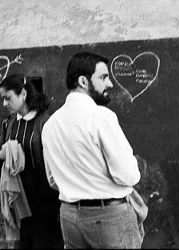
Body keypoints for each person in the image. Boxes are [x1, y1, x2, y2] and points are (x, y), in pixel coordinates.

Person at [41, 52, 144, 249]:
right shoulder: (101, 116)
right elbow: (128, 176)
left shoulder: (51, 124)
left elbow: (53, 180)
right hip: (108, 218)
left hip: (69, 217)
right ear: (83, 81)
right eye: (103, 77)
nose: (110, 84)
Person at [0, 74, 63, 249]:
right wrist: (3, 154)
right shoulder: (9, 124)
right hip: (19, 200)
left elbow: (55, 162)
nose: (4, 104)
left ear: (23, 94)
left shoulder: (45, 122)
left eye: (7, 98)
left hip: (45, 201)